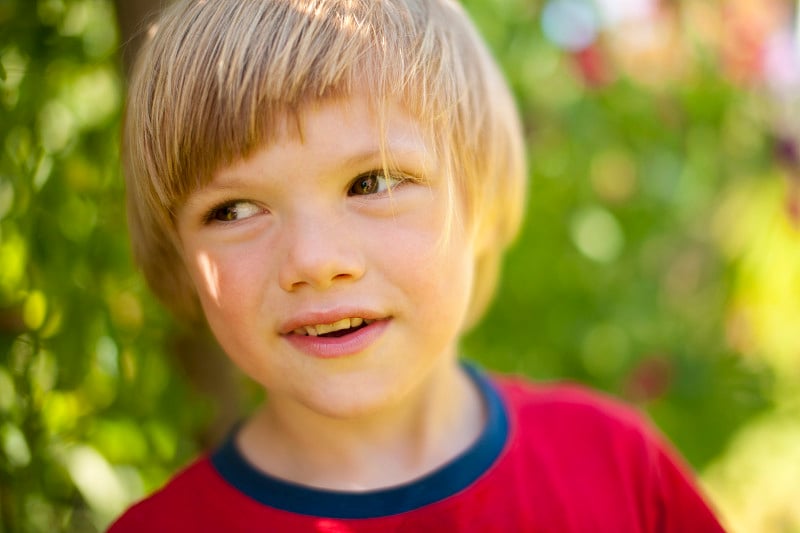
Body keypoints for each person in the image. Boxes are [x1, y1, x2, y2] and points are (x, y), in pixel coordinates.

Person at [109, 0, 726, 531]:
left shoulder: (616, 471)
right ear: (180, 258)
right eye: (235, 209)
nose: (316, 261)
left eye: (372, 181)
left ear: (479, 206)